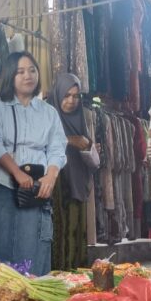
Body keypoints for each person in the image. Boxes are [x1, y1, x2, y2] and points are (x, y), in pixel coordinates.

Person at [0, 51, 67, 276]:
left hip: (36, 190)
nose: (28, 76)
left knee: (33, 251)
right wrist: (17, 173)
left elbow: (58, 148)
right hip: (1, 186)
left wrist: (51, 176)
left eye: (32, 70)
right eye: (20, 72)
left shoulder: (48, 112)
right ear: (10, 75)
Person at [47, 73, 97, 270]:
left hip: (77, 181)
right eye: (66, 95)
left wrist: (88, 146)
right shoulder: (48, 113)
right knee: (59, 232)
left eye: (76, 96)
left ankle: (76, 276)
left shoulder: (81, 117)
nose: (71, 101)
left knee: (76, 229)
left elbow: (91, 157)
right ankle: (58, 274)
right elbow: (43, 139)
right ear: (58, 95)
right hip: (56, 184)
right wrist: (69, 139)